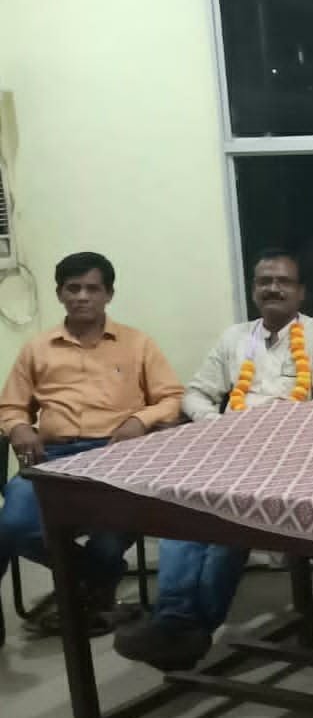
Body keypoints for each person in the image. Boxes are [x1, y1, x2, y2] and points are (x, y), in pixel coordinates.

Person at [112, 249, 313, 671]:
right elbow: (196, 393)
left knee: (228, 521)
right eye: (264, 281)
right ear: (253, 290)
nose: (273, 288)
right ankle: (177, 621)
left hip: (294, 453)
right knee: (181, 508)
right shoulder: (236, 337)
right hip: (230, 447)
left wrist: (276, 425)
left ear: (301, 292)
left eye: (283, 281)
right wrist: (217, 424)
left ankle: (187, 626)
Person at [0, 252, 184, 636]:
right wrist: (18, 427)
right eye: (73, 288)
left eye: (92, 288)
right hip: (52, 458)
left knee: (111, 536)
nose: (82, 296)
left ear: (108, 294)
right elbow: (11, 406)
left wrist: (139, 420)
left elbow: (171, 398)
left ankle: (88, 590)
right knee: (13, 525)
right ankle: (97, 580)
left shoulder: (137, 344)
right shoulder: (37, 349)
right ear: (59, 293)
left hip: (117, 457)